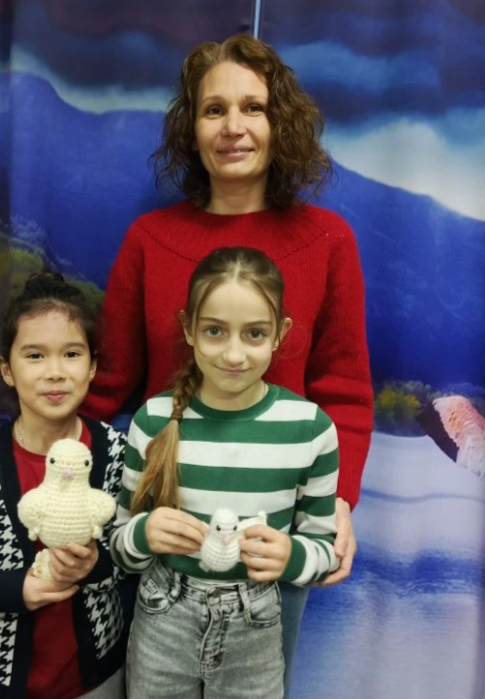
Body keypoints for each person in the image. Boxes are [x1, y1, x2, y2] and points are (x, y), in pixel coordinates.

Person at [81, 33, 372, 691]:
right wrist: (51, 472)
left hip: (271, 543)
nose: (233, 127)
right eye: (214, 110)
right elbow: (108, 387)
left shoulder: (328, 240)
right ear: (192, 128)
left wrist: (339, 501)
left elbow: (345, 390)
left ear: (280, 124)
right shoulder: (149, 239)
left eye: (253, 108)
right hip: (163, 537)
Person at [111, 246, 339, 699]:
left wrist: (291, 557)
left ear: (280, 334)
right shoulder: (153, 421)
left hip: (257, 624)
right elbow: (119, 547)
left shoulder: (311, 429)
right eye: (214, 331)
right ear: (188, 329)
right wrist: (144, 534)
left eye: (254, 334)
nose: (234, 355)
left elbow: (324, 550)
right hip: (162, 619)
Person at [0, 271, 129, 699]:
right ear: (7, 369)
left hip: (98, 675)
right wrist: (14, 589)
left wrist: (97, 565)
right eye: (35, 356)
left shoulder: (119, 454)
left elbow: (139, 547)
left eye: (71, 354)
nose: (55, 373)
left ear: (92, 367)